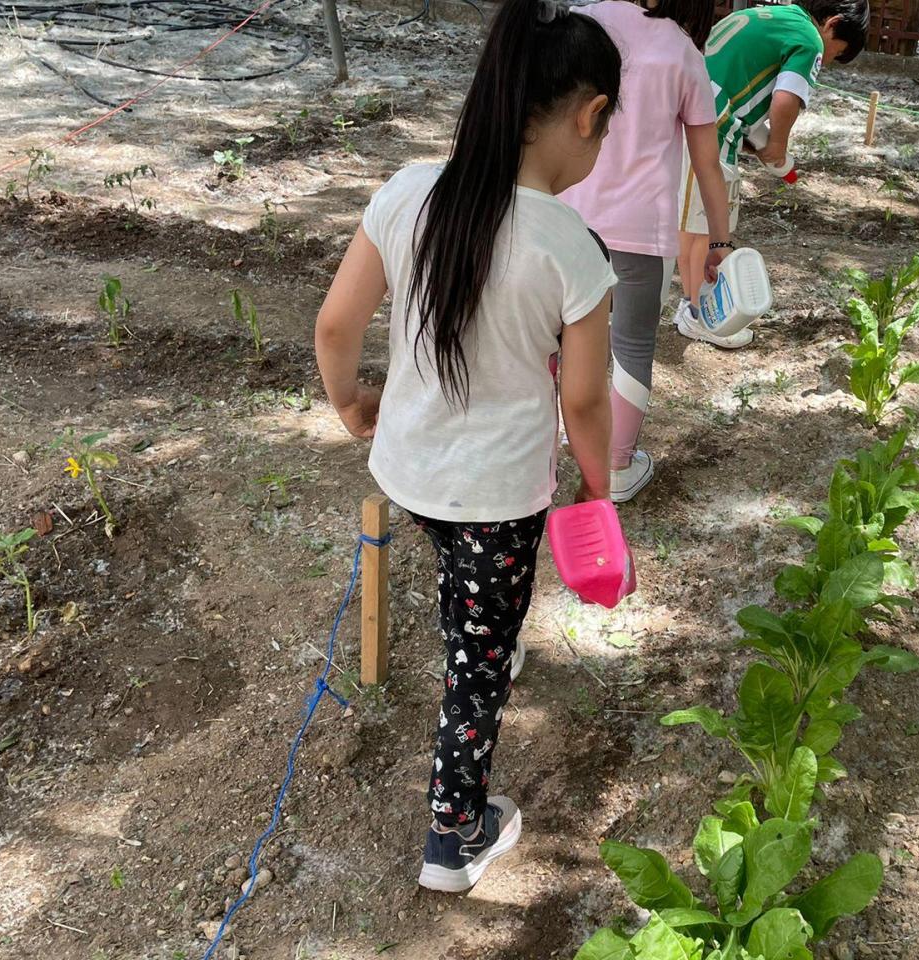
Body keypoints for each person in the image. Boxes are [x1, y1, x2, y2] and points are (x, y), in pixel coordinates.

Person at [312, 0, 619, 894]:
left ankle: (477, 629)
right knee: (476, 675)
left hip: (409, 471)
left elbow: (336, 325)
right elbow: (586, 397)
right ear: (588, 115)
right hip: (497, 496)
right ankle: (454, 835)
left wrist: (350, 405)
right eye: (603, 134)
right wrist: (596, 492)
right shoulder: (570, 243)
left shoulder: (407, 190)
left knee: (466, 586)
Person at [560, 0, 735, 504]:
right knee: (631, 346)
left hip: (568, 213)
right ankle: (615, 467)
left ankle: (555, 444)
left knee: (560, 335)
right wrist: (718, 242)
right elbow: (708, 166)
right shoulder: (683, 53)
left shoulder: (580, 22)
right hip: (641, 228)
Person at [673, 0, 870, 350]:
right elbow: (785, 98)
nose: (828, 59)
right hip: (712, 130)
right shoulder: (809, 40)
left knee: (690, 227)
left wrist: (752, 137)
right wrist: (777, 146)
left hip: (691, 109)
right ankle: (699, 315)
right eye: (836, 53)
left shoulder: (778, 16)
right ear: (833, 23)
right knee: (706, 231)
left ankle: (691, 305)